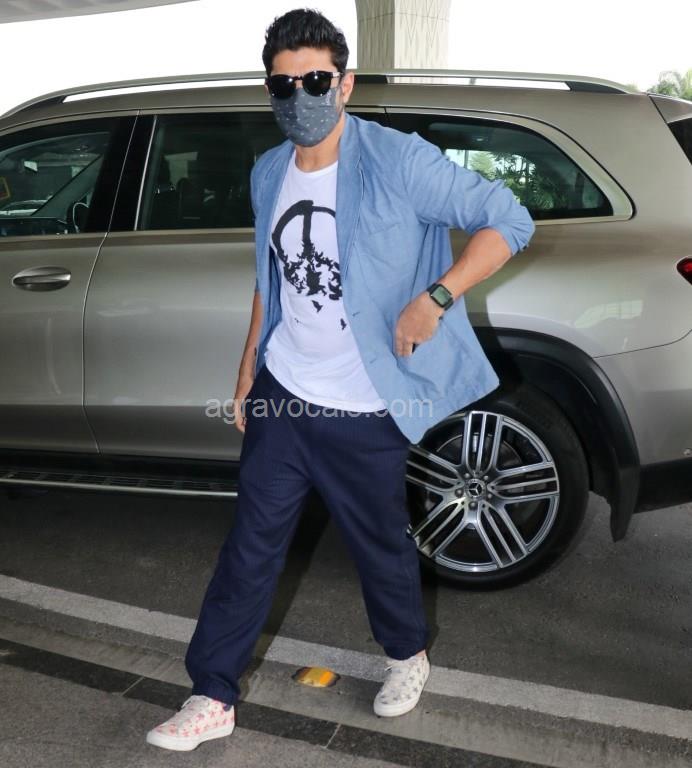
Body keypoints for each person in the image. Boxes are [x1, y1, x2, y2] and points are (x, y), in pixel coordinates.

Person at [146, 8, 535, 752]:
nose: (300, 96)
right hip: (285, 392)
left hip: (366, 402)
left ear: (346, 84)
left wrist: (437, 297)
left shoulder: (397, 160)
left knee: (378, 543)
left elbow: (509, 221)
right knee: (250, 546)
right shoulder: (269, 171)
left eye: (316, 81)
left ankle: (406, 653)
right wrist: (247, 369)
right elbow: (271, 280)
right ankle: (212, 694)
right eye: (283, 84)